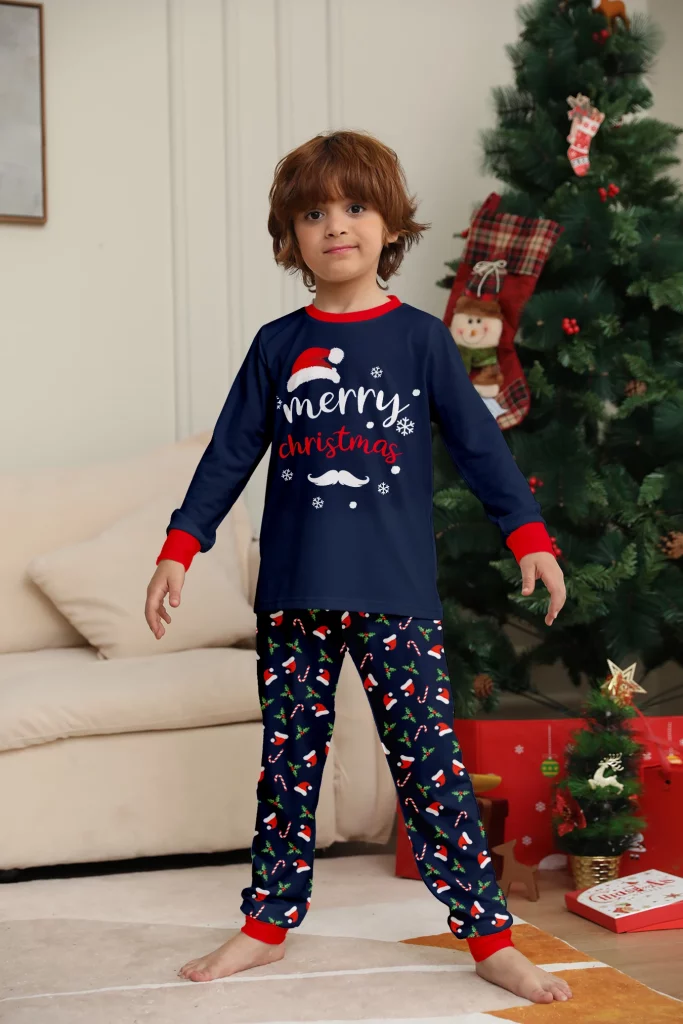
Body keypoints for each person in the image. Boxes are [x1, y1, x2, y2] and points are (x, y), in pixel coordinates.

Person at [145, 129, 571, 1004]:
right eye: (312, 214)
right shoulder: (277, 345)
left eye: (353, 206)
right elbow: (228, 455)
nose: (334, 225)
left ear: (389, 225)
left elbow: (481, 448)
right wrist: (181, 546)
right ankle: (266, 927)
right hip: (294, 595)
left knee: (429, 770)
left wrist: (527, 534)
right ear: (290, 238)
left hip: (395, 596)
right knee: (287, 770)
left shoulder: (420, 341)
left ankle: (488, 938)